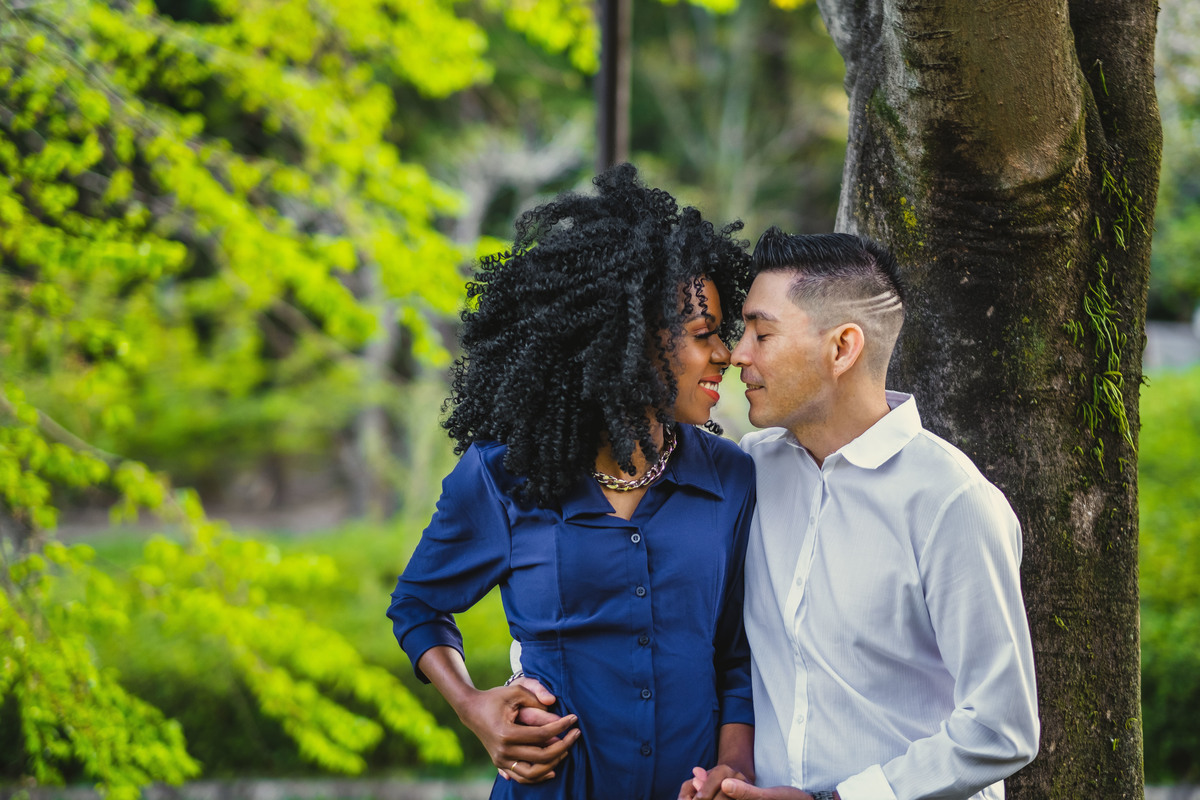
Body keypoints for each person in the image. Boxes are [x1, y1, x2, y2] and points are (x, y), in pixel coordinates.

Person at [387, 165, 757, 800]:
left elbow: (736, 654)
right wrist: (474, 707)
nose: (725, 353)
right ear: (628, 340)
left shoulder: (732, 478)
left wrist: (734, 767)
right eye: (703, 335)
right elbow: (419, 605)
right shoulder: (502, 476)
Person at [699, 229, 1040, 800]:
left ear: (842, 348)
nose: (738, 355)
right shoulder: (751, 469)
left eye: (762, 333)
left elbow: (1000, 727)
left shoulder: (951, 501)